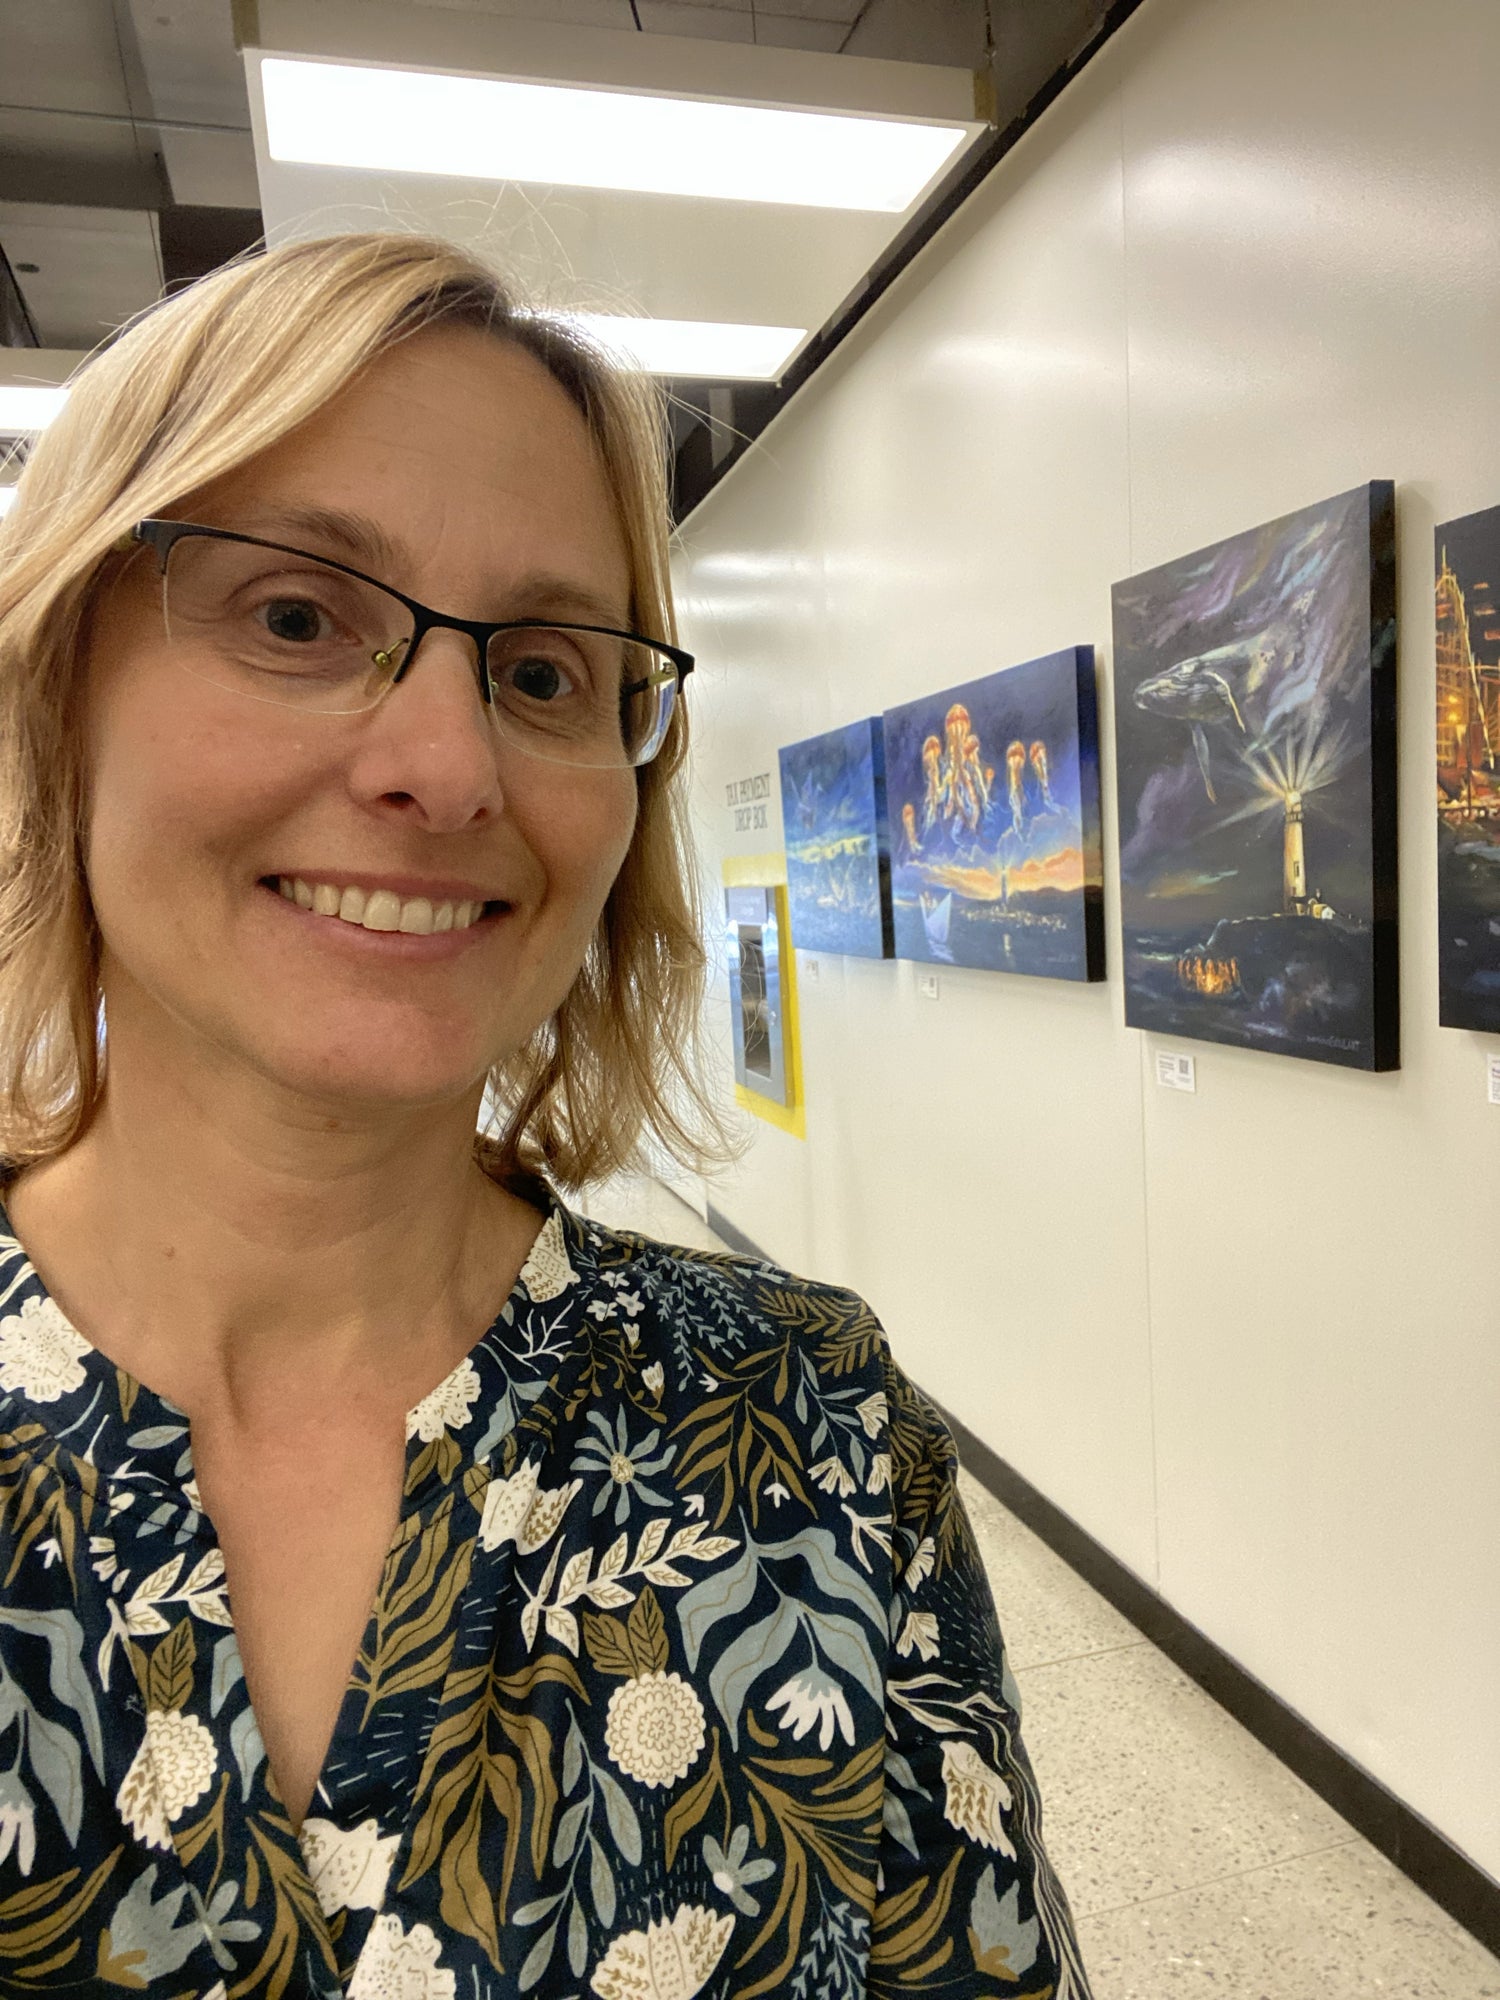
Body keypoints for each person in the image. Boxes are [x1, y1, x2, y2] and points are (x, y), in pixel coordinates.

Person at [0, 233, 1091, 1999]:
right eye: (297, 617)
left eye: (546, 670)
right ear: (57, 684)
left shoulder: (810, 1435)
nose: (448, 765)